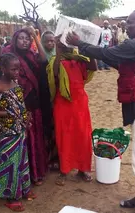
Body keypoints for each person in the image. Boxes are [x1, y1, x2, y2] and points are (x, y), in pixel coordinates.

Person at [66, 8, 135, 213]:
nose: (126, 26)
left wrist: (81, 44)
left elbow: (108, 53)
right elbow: (118, 61)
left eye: (131, 23)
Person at [0, 27, 53, 186]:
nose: (25, 41)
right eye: (21, 38)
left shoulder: (32, 55)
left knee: (35, 139)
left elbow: (44, 60)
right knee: (19, 143)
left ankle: (36, 173)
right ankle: (23, 176)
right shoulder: (8, 57)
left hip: (33, 103)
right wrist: (1, 111)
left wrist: (35, 36)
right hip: (17, 107)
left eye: (27, 38)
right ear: (15, 39)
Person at [0, 53, 37, 212]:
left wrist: (26, 119)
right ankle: (10, 197)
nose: (17, 72)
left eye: (18, 69)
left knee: (21, 160)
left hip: (20, 128)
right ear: (4, 69)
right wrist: (2, 114)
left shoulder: (15, 82)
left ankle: (24, 189)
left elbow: (20, 103)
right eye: (13, 69)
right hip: (7, 131)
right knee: (9, 162)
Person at [48, 35, 97, 186]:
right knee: (64, 137)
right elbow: (55, 74)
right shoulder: (55, 61)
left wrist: (88, 47)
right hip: (62, 103)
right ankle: (64, 170)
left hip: (80, 103)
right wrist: (57, 51)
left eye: (68, 44)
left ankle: (83, 169)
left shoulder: (79, 59)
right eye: (63, 44)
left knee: (83, 135)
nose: (66, 46)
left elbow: (94, 67)